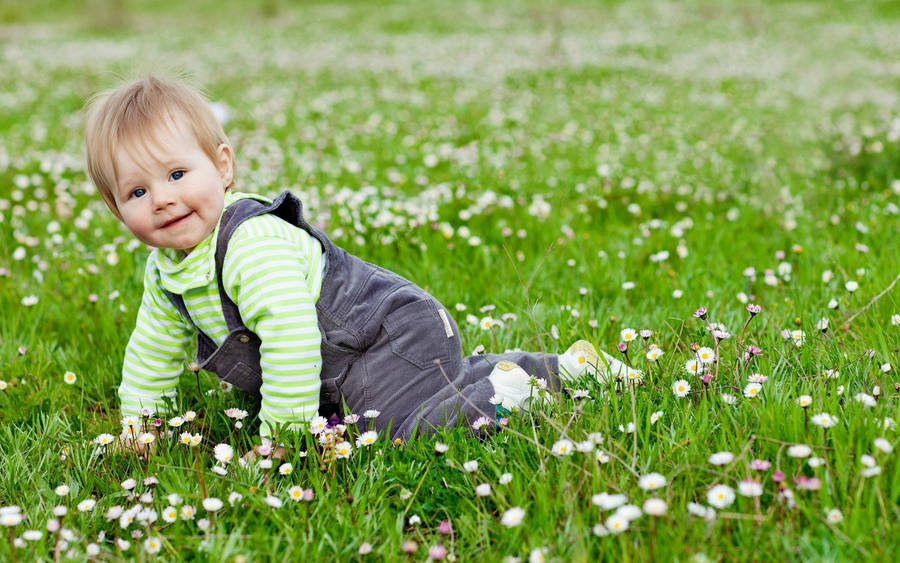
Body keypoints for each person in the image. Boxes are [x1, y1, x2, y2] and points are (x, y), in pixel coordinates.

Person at [83, 76, 628, 451]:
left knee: (399, 432)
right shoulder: (166, 273)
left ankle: (511, 392)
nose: (162, 198)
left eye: (177, 174)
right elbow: (152, 352)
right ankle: (566, 368)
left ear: (222, 166)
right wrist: (139, 425)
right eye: (136, 190)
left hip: (388, 335)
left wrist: (282, 440)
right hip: (342, 366)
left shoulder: (250, 244)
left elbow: (293, 337)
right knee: (377, 413)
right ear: (116, 208)